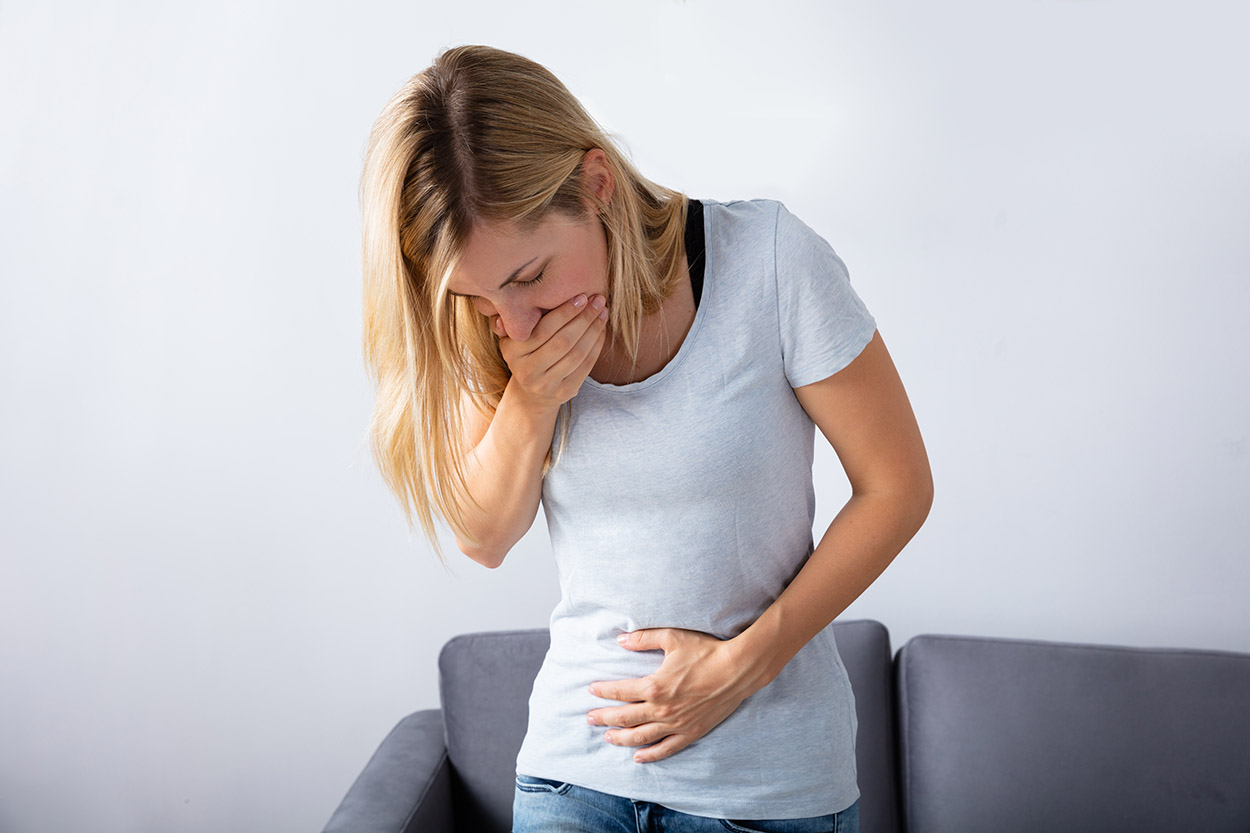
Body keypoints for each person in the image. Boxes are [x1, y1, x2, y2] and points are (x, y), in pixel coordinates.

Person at [359, 44, 933, 833]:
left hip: (765, 787)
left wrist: (743, 664)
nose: (514, 321)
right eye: (482, 299)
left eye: (529, 277)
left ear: (597, 184)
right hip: (575, 776)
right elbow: (484, 537)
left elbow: (898, 485)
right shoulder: (500, 329)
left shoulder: (769, 260)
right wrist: (530, 397)